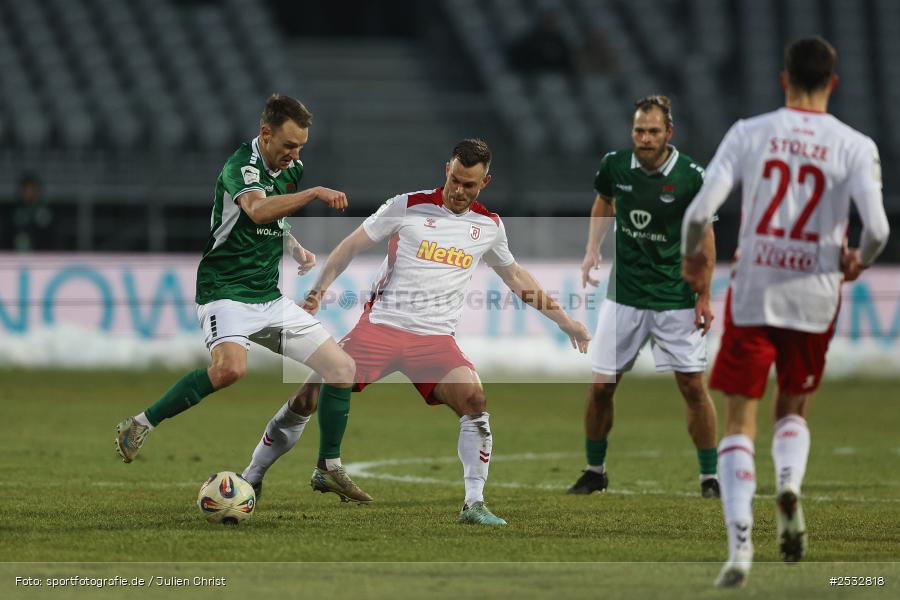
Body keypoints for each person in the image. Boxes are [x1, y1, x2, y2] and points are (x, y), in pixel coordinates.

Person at [241, 138, 592, 525]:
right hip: (381, 329)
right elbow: (352, 245)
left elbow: (516, 277)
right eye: (455, 180)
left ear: (485, 183)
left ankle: (474, 504)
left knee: (474, 400)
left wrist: (566, 321)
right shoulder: (406, 205)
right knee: (308, 397)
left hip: (435, 342)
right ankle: (252, 477)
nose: (459, 191)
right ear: (447, 169)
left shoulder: (488, 227)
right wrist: (319, 290)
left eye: (469, 185)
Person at [680, 37, 890, 588]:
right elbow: (880, 229)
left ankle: (740, 549)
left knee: (739, 421)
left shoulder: (750, 132)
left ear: (783, 79)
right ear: (834, 84)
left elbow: (700, 211)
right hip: (815, 294)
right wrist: (857, 262)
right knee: (793, 405)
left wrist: (693, 263)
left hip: (756, 290)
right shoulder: (854, 144)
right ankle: (790, 483)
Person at [114, 94, 366, 502]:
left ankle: (329, 467)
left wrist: (295, 247)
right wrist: (315, 192)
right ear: (265, 134)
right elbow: (257, 211)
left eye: (301, 146)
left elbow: (275, 220)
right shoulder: (239, 167)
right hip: (225, 293)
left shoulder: (290, 168)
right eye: (288, 145)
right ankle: (141, 423)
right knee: (231, 369)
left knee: (341, 368)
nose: (295, 154)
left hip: (268, 297)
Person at [571, 95, 720, 498]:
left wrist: (704, 295)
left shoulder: (691, 176)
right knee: (602, 386)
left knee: (692, 387)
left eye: (654, 131)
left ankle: (710, 477)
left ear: (669, 133)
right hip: (625, 296)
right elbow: (603, 200)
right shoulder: (615, 166)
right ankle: (594, 471)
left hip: (675, 296)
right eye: (639, 130)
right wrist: (592, 249)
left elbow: (706, 234)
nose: (646, 138)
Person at [11, 173, 53, 251]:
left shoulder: (44, 209)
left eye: (31, 189)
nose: (28, 193)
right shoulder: (16, 209)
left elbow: (48, 233)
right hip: (17, 251)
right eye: (26, 190)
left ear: (36, 190)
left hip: (42, 252)